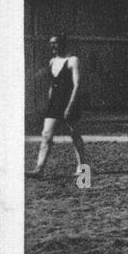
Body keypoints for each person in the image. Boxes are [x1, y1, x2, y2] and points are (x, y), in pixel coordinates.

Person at [29, 34, 86, 177]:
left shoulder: (73, 60)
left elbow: (77, 85)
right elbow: (51, 86)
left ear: (63, 44)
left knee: (75, 135)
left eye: (55, 43)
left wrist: (70, 106)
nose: (53, 46)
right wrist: (49, 103)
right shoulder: (52, 61)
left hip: (69, 102)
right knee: (46, 134)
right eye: (51, 44)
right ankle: (39, 169)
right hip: (54, 103)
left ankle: (82, 167)